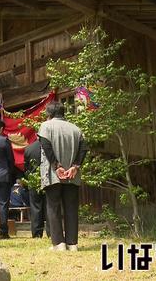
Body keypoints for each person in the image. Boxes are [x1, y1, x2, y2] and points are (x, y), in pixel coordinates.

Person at [38, 102, 88, 251]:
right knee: (71, 207)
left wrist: (56, 166)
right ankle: (72, 244)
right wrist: (75, 166)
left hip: (54, 174)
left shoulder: (46, 126)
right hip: (72, 174)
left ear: (49, 113)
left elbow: (46, 146)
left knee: (53, 206)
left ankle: (59, 243)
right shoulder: (76, 128)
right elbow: (84, 148)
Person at [24, 140, 50, 238]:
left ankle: (36, 233)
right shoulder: (51, 147)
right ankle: (51, 232)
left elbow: (26, 168)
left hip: (34, 180)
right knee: (50, 206)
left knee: (35, 207)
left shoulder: (29, 148)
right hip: (48, 179)